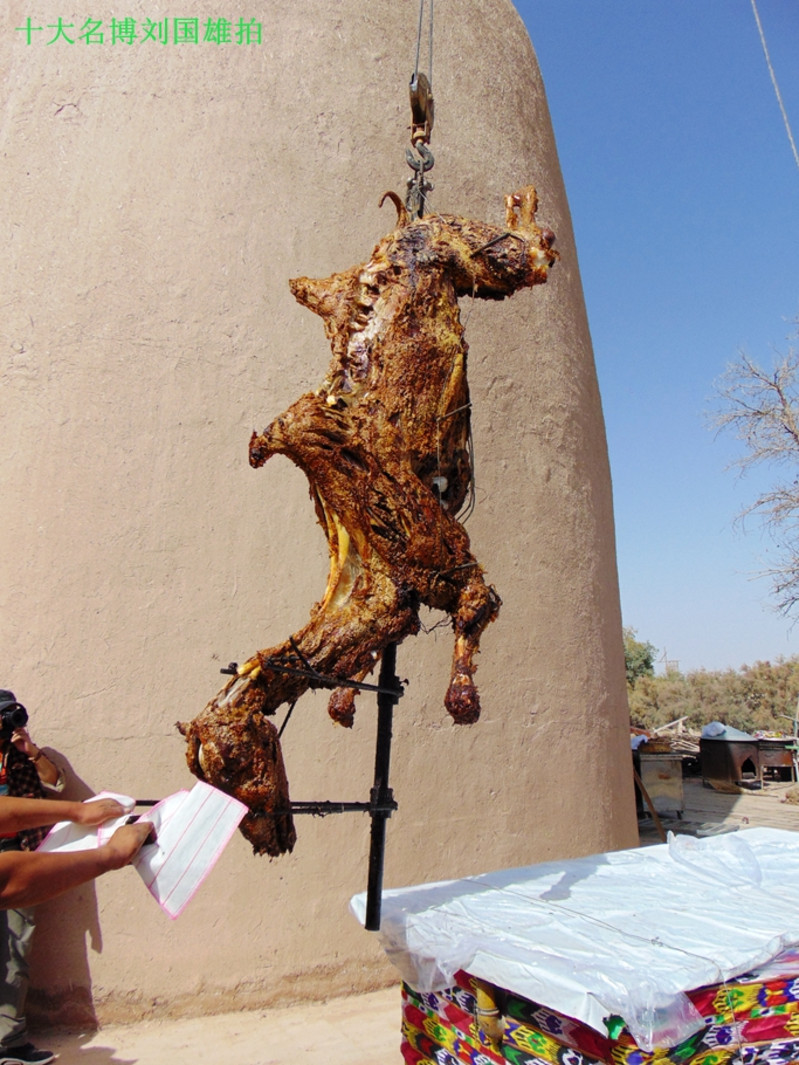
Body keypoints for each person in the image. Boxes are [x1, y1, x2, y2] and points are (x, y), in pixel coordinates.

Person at [0, 690, 151, 1065]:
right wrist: (110, 855)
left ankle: (9, 1042)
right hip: (14, 866)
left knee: (15, 950)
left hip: (24, 854)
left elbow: (52, 784)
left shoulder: (22, 754)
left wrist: (31, 753)